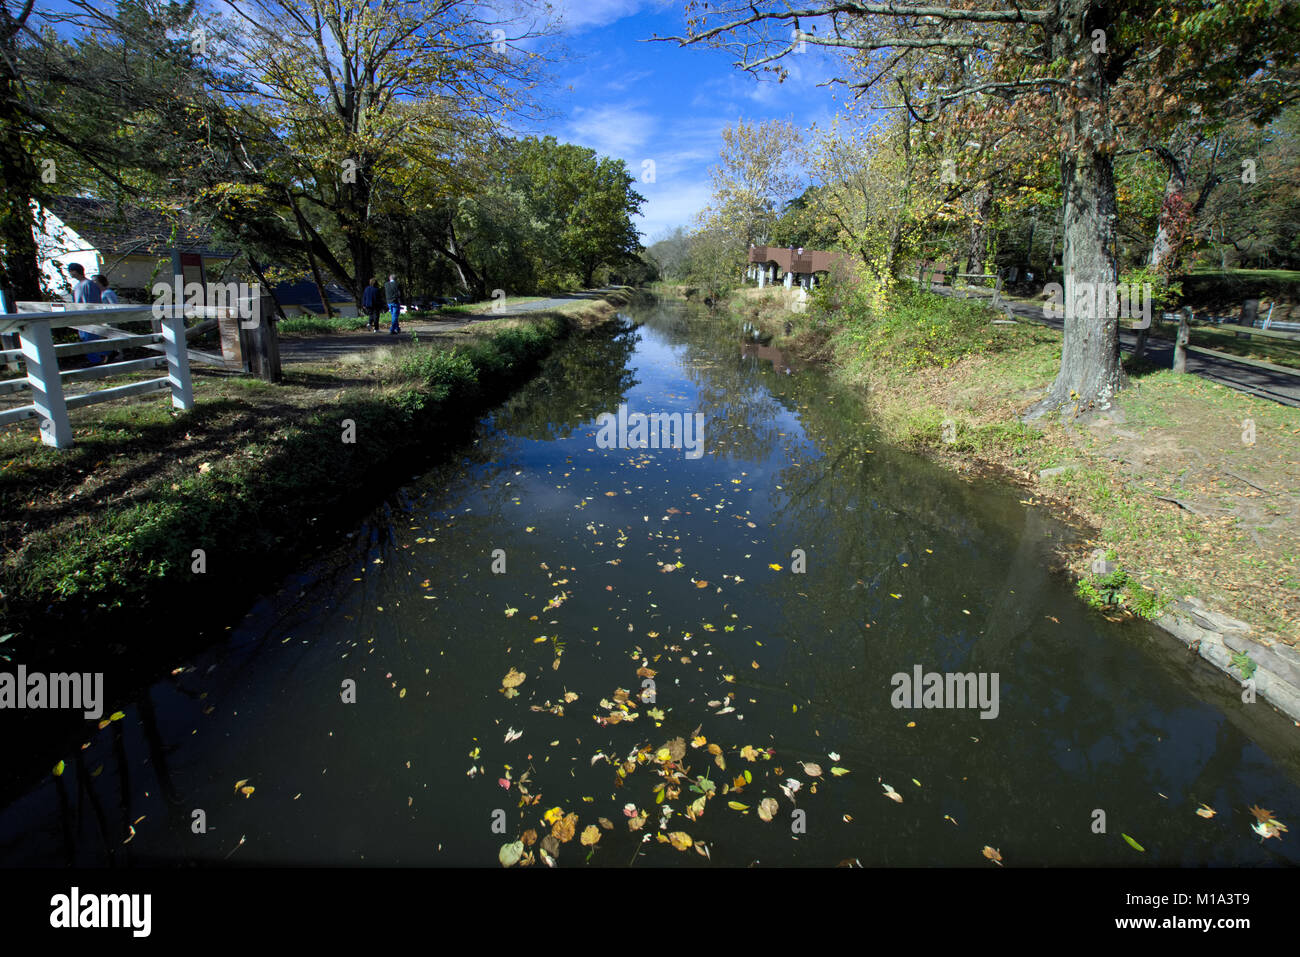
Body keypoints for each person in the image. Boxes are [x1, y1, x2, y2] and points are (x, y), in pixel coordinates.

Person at [68, 263, 106, 364]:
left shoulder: (89, 284)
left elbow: (94, 303)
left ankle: (98, 360)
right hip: (80, 318)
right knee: (85, 339)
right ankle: (97, 358)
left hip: (89, 318)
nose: (70, 273)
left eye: (71, 270)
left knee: (91, 338)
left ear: (75, 271)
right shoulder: (77, 287)